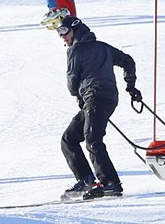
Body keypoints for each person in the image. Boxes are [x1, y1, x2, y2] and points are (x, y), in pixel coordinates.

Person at [57, 16, 142, 200]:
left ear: (75, 30)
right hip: (105, 99)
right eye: (59, 33)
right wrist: (131, 86)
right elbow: (128, 61)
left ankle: (110, 182)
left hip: (95, 98)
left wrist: (78, 95)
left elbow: (72, 82)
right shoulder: (104, 47)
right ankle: (86, 179)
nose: (62, 37)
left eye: (64, 31)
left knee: (93, 139)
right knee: (69, 138)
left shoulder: (75, 50)